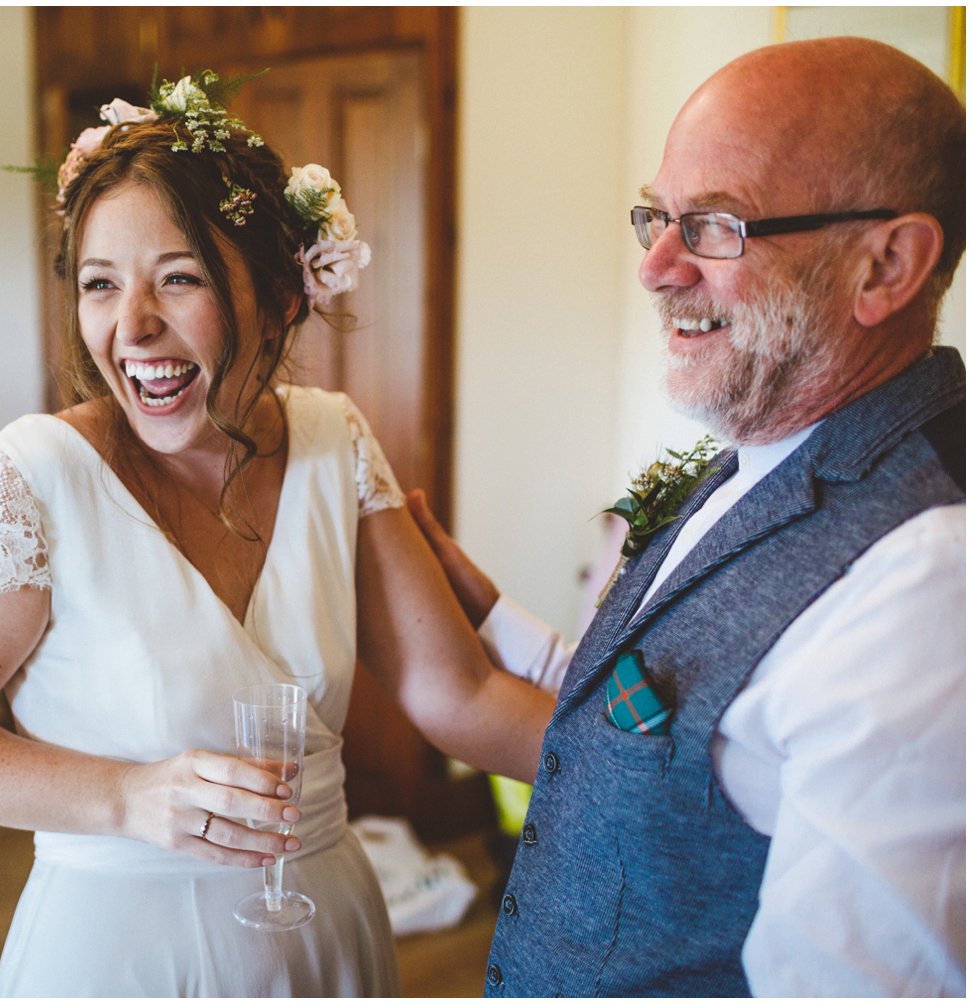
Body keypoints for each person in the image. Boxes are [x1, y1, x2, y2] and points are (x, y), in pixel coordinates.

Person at [0, 72, 554, 997]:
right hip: (119, 956)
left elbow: (458, 694)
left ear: (280, 296)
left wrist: (679, 769)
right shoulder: (30, 480)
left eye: (178, 279)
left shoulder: (333, 440)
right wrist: (124, 797)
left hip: (325, 938)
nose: (132, 327)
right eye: (101, 285)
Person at [410, 36, 965, 997]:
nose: (657, 268)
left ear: (886, 265)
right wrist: (492, 623)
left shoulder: (928, 583)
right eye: (658, 217)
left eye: (714, 225)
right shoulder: (774, 448)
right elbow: (686, 741)